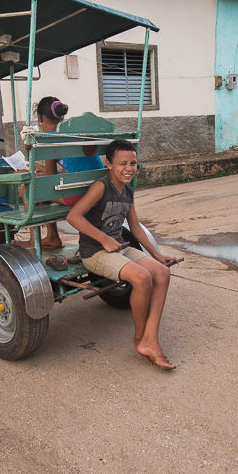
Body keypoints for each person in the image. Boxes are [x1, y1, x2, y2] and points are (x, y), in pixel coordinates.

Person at [67, 139, 180, 370]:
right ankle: (141, 339)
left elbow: (135, 227)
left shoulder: (128, 191)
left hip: (119, 247)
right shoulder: (101, 187)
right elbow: (74, 216)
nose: (128, 168)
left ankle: (150, 338)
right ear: (108, 164)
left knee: (161, 272)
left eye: (133, 163)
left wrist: (156, 255)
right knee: (142, 277)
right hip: (95, 251)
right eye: (122, 163)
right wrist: (104, 238)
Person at [21, 96, 103, 250]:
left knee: (28, 185)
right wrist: (40, 168)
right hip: (97, 187)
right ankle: (52, 237)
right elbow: (69, 169)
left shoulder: (48, 139)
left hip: (78, 192)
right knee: (40, 183)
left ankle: (34, 242)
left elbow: (50, 179)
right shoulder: (73, 132)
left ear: (39, 117)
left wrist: (28, 171)